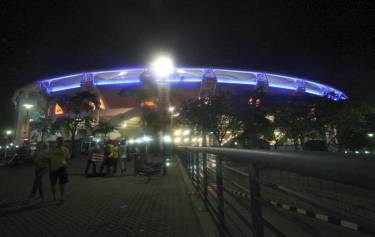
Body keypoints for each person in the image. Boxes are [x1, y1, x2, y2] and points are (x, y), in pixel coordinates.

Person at [45, 137, 70, 203]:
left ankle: (62, 197)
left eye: (62, 141)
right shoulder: (52, 149)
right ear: (57, 142)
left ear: (63, 142)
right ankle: (54, 197)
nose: (60, 142)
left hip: (62, 168)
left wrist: (63, 163)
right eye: (59, 141)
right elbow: (48, 159)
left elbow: (67, 158)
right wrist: (50, 167)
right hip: (53, 169)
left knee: (62, 184)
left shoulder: (66, 150)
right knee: (53, 184)